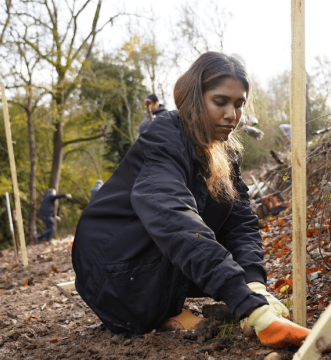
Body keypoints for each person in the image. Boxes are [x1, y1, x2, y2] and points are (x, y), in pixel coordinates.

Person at [72, 52, 310, 348]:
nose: (231, 115)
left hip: (152, 257)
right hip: (113, 271)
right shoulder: (163, 139)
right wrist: (248, 306)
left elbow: (240, 222)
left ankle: (189, 299)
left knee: (225, 229)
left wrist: (253, 284)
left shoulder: (225, 151)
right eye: (220, 102)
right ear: (196, 98)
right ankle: (157, 313)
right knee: (181, 233)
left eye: (239, 104)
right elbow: (174, 219)